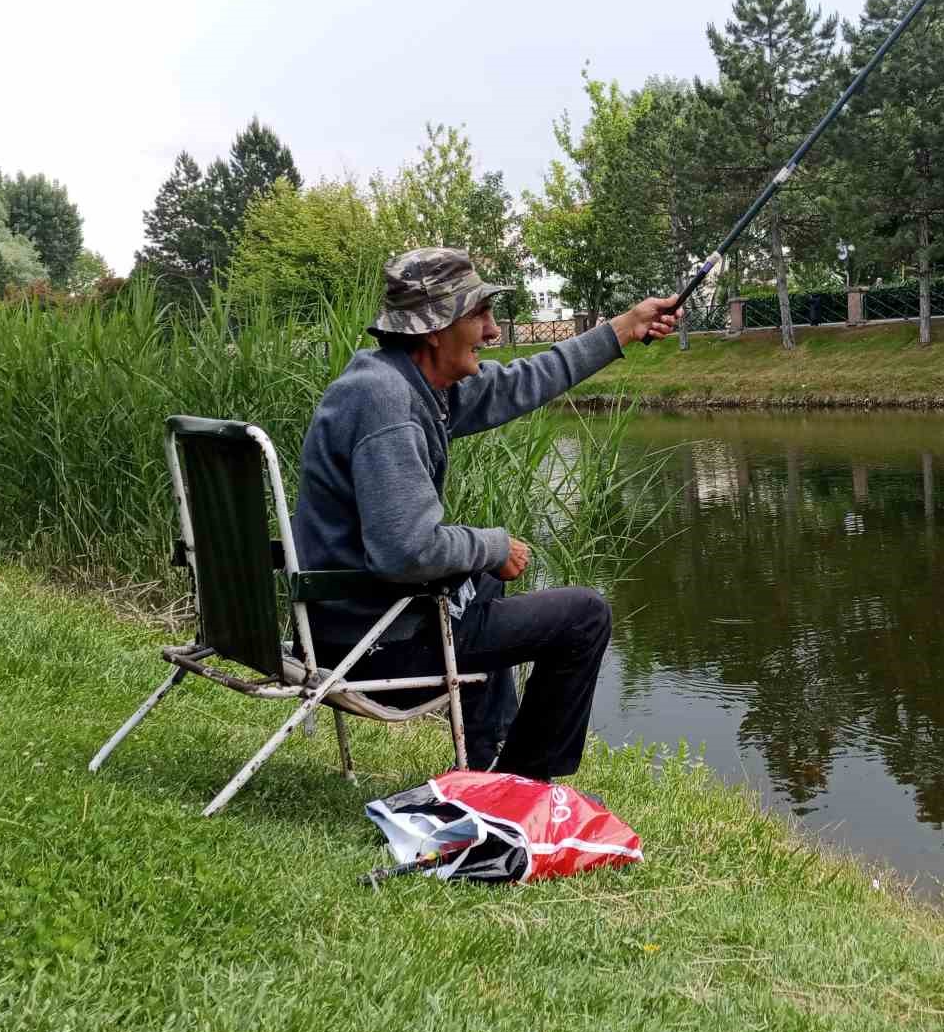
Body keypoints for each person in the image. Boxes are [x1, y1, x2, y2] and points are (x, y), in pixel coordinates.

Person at [291, 246, 679, 780]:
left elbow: (527, 379)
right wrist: (493, 544)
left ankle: (485, 759)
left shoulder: (397, 381)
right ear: (434, 329)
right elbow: (407, 551)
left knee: (482, 585)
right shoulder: (392, 409)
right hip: (371, 648)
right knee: (585, 617)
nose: (493, 332)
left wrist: (625, 328)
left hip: (342, 626)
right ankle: (522, 782)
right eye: (480, 315)